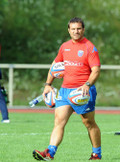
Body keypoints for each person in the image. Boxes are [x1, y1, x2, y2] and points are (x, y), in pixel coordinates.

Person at [33, 17, 102, 160]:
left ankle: (96, 153)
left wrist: (87, 85)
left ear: (83, 30)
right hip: (65, 91)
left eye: (78, 29)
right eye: (73, 29)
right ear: (68, 30)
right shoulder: (64, 47)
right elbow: (54, 66)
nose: (76, 31)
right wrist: (48, 85)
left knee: (88, 123)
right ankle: (50, 153)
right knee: (59, 121)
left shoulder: (89, 47)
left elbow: (96, 70)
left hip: (82, 91)